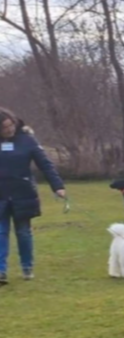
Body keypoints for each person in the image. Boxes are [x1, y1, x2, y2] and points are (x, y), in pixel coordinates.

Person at [0, 108, 66, 284]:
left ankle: (27, 267)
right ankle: (1, 271)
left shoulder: (27, 140)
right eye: (4, 127)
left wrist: (57, 186)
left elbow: (45, 164)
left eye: (10, 125)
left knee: (23, 233)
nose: (9, 129)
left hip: (23, 193)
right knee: (1, 232)